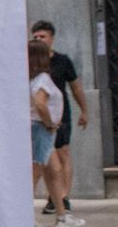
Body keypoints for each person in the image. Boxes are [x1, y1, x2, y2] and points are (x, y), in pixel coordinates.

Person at [30, 21, 88, 214]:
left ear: (52, 38)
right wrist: (48, 123)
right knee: (41, 167)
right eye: (36, 37)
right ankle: (51, 207)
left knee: (58, 160)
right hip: (43, 123)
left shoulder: (62, 62)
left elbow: (76, 87)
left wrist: (84, 110)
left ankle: (62, 203)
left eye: (42, 36)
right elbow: (39, 102)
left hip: (56, 118)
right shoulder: (36, 73)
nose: (39, 40)